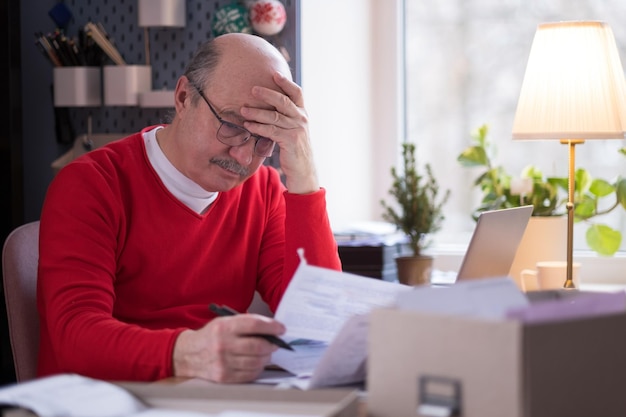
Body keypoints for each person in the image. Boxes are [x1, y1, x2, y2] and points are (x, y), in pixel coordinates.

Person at [37, 33, 341, 384]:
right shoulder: (92, 185)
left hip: (207, 397)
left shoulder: (264, 191)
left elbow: (320, 325)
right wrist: (188, 352)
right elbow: (75, 340)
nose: (243, 158)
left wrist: (304, 177)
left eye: (263, 140)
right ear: (184, 97)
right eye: (231, 126)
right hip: (107, 396)